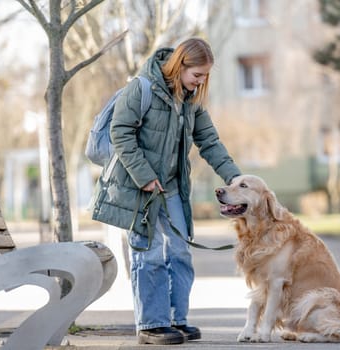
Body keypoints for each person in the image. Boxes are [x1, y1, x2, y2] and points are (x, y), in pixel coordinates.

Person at [91, 37, 241, 345]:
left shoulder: (190, 101)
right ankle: (151, 323)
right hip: (140, 187)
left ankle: (176, 319)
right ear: (180, 65)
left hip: (172, 187)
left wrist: (239, 182)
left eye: (205, 77)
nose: (201, 82)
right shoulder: (142, 88)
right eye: (197, 75)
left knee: (180, 251)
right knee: (148, 254)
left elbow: (210, 143)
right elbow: (121, 132)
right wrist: (144, 176)